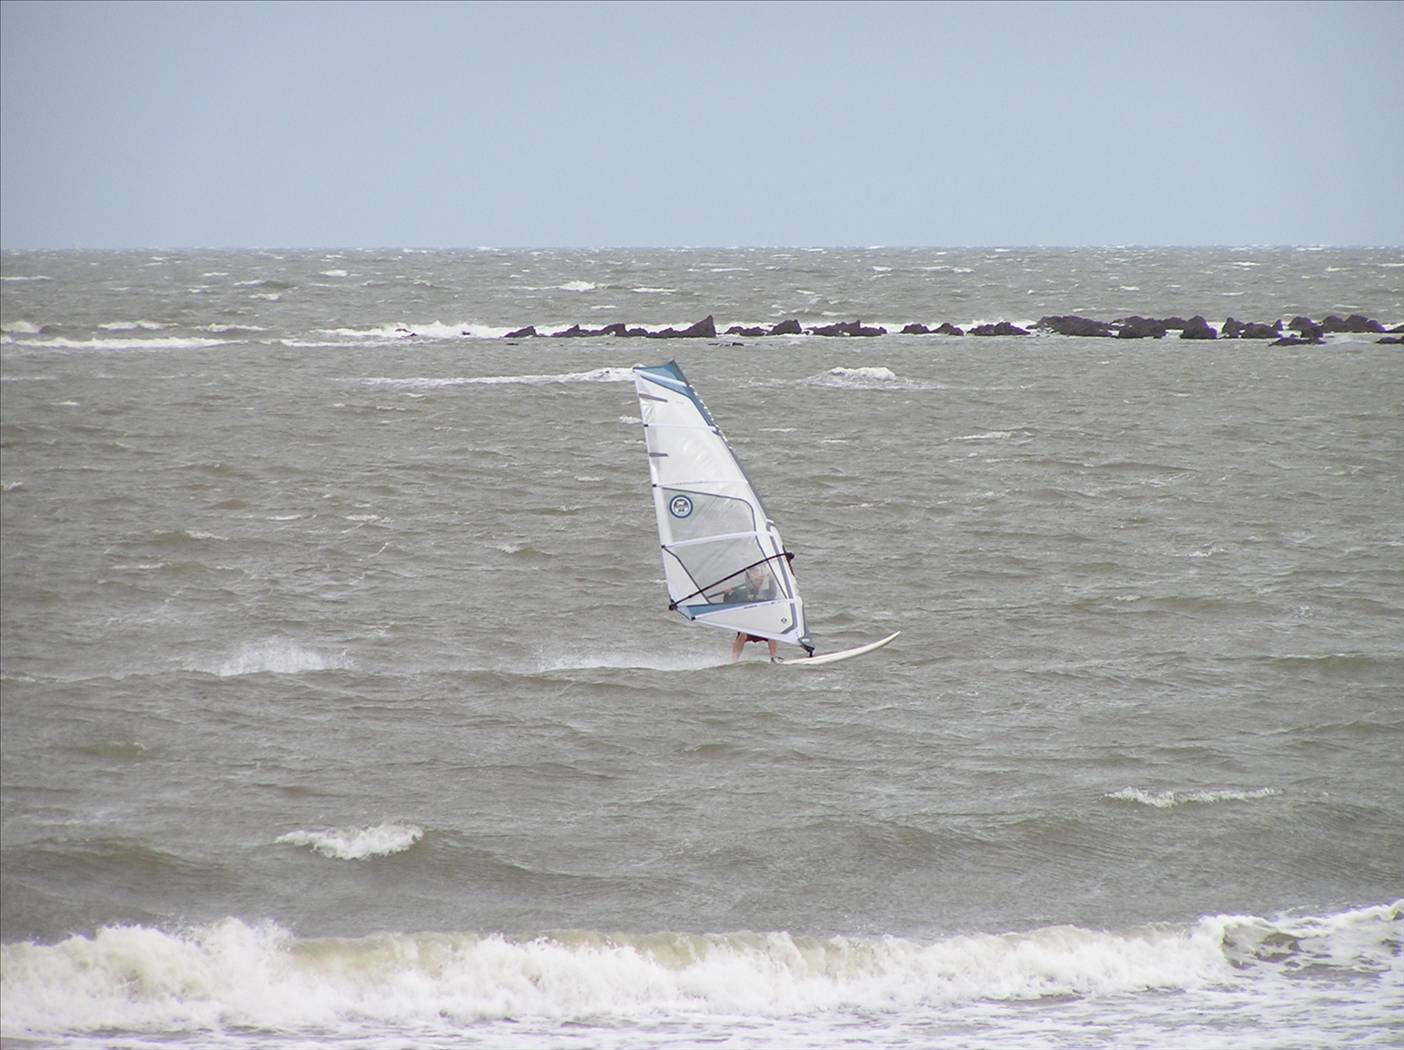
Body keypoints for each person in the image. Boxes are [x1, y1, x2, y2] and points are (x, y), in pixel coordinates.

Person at [723, 565, 780, 662]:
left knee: (772, 633)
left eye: (757, 572)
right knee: (742, 634)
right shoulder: (741, 592)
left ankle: (773, 657)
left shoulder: (767, 592)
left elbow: (773, 590)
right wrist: (726, 594)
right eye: (753, 572)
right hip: (748, 625)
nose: (757, 575)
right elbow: (727, 603)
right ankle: (734, 660)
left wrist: (770, 577)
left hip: (762, 626)